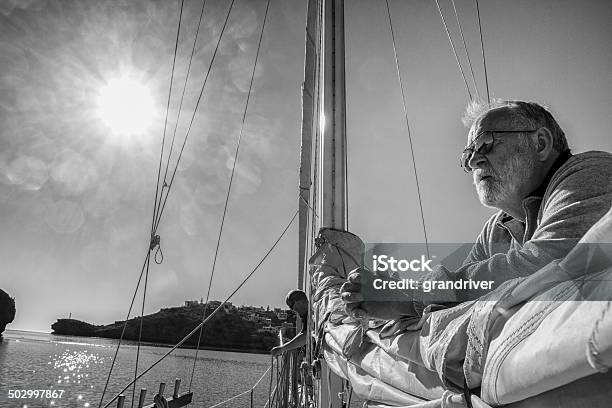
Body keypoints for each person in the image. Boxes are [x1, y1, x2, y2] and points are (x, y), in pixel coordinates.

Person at [341, 100, 612, 320]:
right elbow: (455, 290)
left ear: (540, 143)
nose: (473, 161)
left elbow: (551, 264)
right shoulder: (496, 230)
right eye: (467, 154)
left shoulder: (593, 172)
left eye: (485, 143)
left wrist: (408, 295)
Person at [271, 289, 308, 356]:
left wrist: (282, 348)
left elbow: (306, 336)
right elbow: (304, 332)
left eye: (291, 305)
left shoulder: (313, 313)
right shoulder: (306, 316)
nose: (292, 309)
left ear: (301, 301)